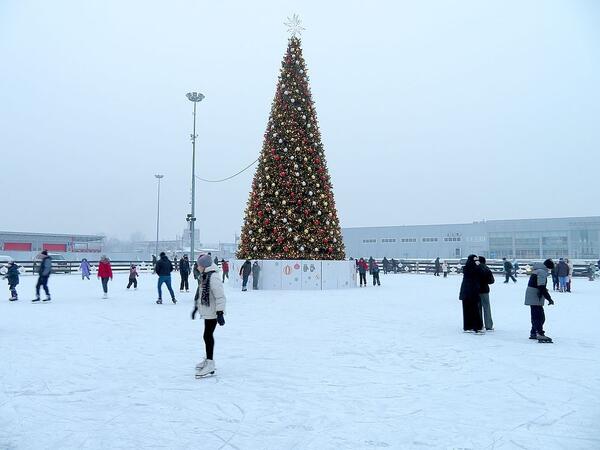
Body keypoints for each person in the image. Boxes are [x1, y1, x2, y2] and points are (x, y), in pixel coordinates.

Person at [191, 254, 226, 378]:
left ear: (204, 265)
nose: (197, 266)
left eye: (199, 265)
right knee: (207, 335)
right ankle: (208, 359)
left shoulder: (213, 277)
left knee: (207, 335)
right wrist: (196, 307)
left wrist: (220, 313)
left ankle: (210, 363)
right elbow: (200, 294)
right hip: (209, 311)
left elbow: (220, 296)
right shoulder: (205, 276)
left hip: (213, 312)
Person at [524, 259, 555, 342]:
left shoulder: (538, 270)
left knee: (536, 315)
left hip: (533, 295)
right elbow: (541, 286)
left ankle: (534, 332)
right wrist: (549, 298)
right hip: (535, 296)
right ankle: (540, 334)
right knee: (539, 316)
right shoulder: (541, 272)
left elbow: (538, 285)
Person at [459, 254, 484, 333]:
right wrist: (479, 266)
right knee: (475, 310)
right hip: (472, 292)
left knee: (467, 310)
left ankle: (468, 326)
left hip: (466, 292)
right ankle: (476, 326)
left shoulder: (466, 267)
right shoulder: (473, 268)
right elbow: (480, 273)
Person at [478, 256, 495, 331]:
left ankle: (479, 324)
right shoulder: (486, 269)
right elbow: (491, 281)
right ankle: (489, 325)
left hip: (476, 291)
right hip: (485, 290)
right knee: (487, 308)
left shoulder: (475, 269)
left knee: (478, 308)